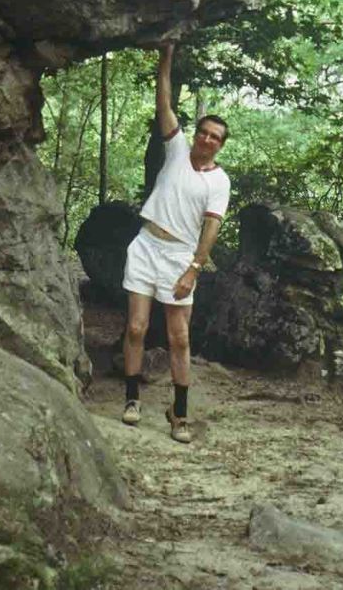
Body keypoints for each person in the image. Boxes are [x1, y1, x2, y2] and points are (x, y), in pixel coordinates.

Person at [121, 43, 230, 444]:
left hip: (181, 256)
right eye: (203, 132)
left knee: (179, 336)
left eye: (214, 137)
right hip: (146, 246)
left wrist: (194, 268)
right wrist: (166, 57)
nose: (206, 139)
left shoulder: (219, 182)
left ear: (221, 144)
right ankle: (132, 398)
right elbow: (163, 102)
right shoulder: (177, 148)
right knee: (135, 327)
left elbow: (211, 228)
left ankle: (179, 413)